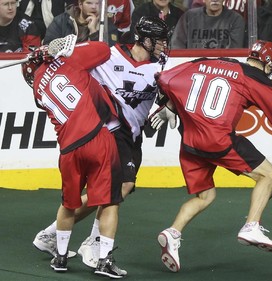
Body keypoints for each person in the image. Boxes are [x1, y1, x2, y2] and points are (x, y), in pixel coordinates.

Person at [150, 40, 272, 272]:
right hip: (217, 140)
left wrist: (169, 105)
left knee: (205, 196)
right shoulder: (254, 79)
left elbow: (164, 78)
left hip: (190, 141)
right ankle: (251, 226)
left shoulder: (207, 63)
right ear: (269, 64)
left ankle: (172, 233)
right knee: (268, 175)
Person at [32, 16, 170, 271]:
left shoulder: (160, 64)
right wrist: (50, 52)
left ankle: (53, 233)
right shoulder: (110, 56)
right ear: (145, 40)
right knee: (117, 190)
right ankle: (94, 245)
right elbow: (71, 64)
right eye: (160, 40)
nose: (164, 45)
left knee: (116, 191)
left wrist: (168, 107)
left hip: (133, 137)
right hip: (110, 130)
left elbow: (167, 90)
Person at [22, 35, 126, 278]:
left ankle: (60, 258)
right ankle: (104, 261)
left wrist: (47, 56)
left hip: (68, 150)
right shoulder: (69, 61)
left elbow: (45, 77)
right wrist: (60, 51)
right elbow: (103, 50)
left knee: (69, 203)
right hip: (97, 139)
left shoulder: (37, 89)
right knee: (109, 201)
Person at [171, 0, 245, 49]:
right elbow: (177, 48)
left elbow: (233, 54)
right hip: (191, 68)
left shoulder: (235, 20)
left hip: (222, 69)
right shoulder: (188, 17)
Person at [43, 0, 118, 46]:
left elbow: (109, 53)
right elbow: (48, 45)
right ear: (80, 5)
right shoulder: (62, 20)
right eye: (89, 3)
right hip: (66, 65)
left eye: (97, 3)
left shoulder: (107, 25)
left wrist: (94, 31)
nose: (94, 7)